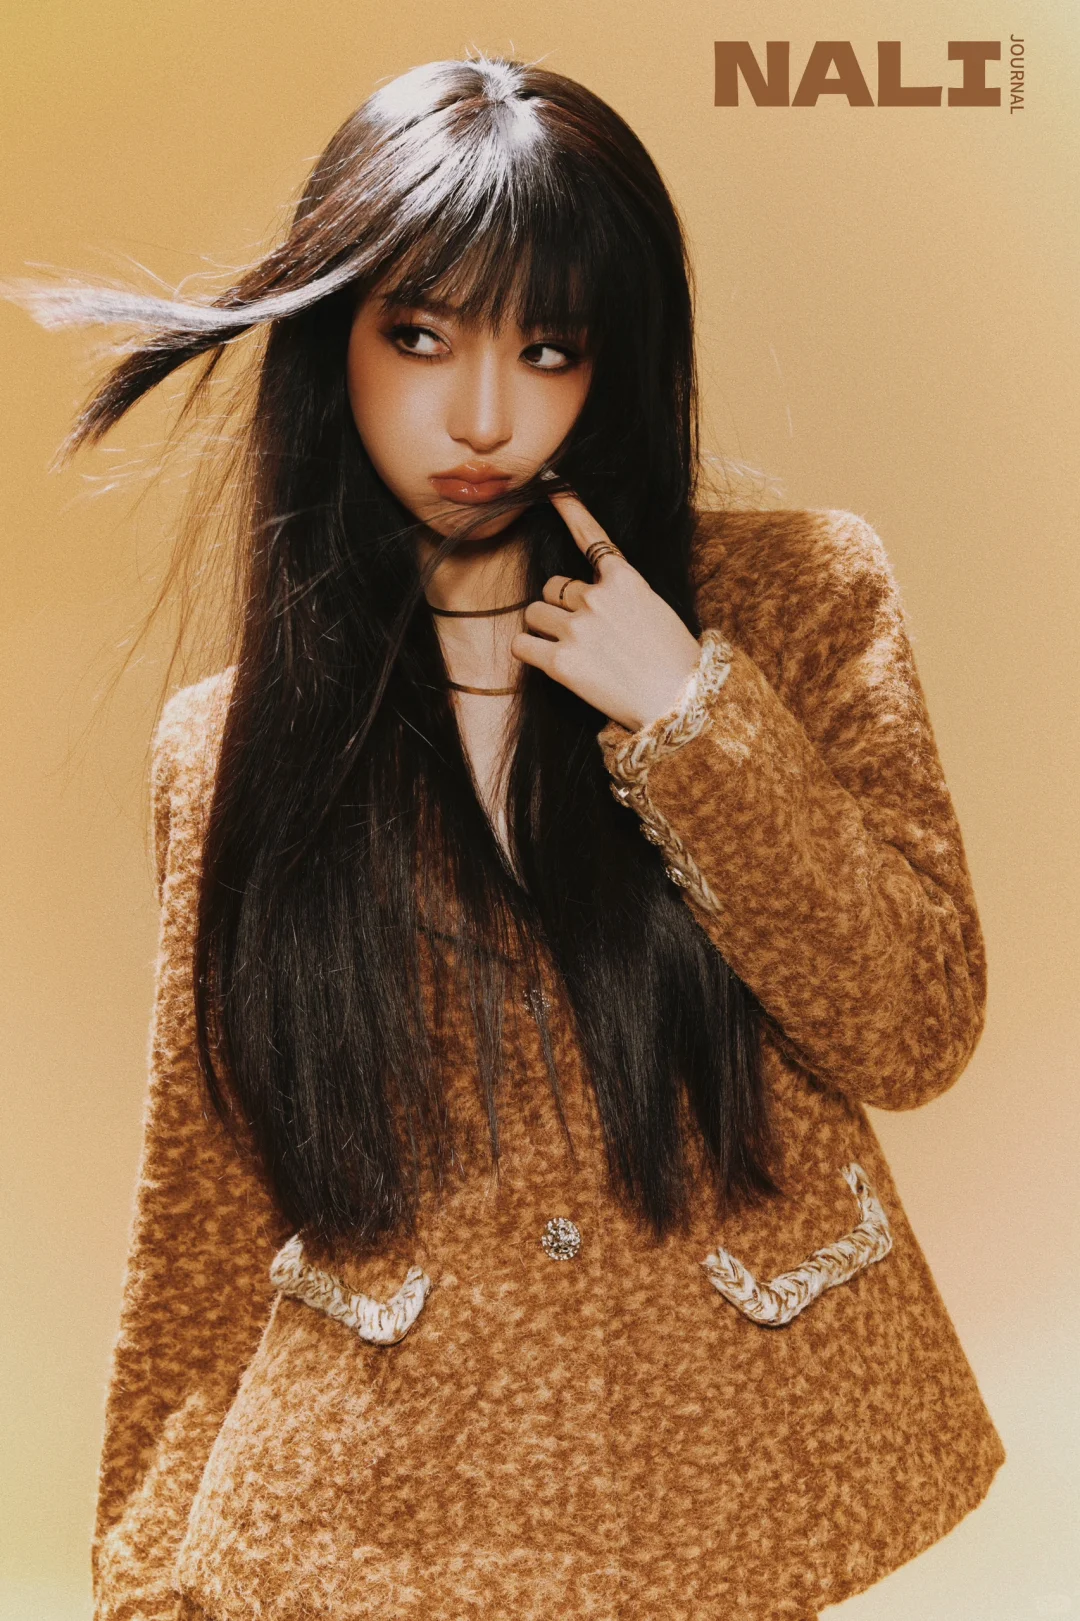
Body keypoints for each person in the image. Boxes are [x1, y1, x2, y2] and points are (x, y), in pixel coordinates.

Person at [8, 54, 1005, 1621]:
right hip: (370, 1515)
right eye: (419, 336)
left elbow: (913, 1024)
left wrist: (690, 715)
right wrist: (145, 1587)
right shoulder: (227, 743)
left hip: (724, 1477)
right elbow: (200, 1214)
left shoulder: (797, 601)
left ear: (618, 363)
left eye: (549, 348)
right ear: (333, 342)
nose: (483, 416)